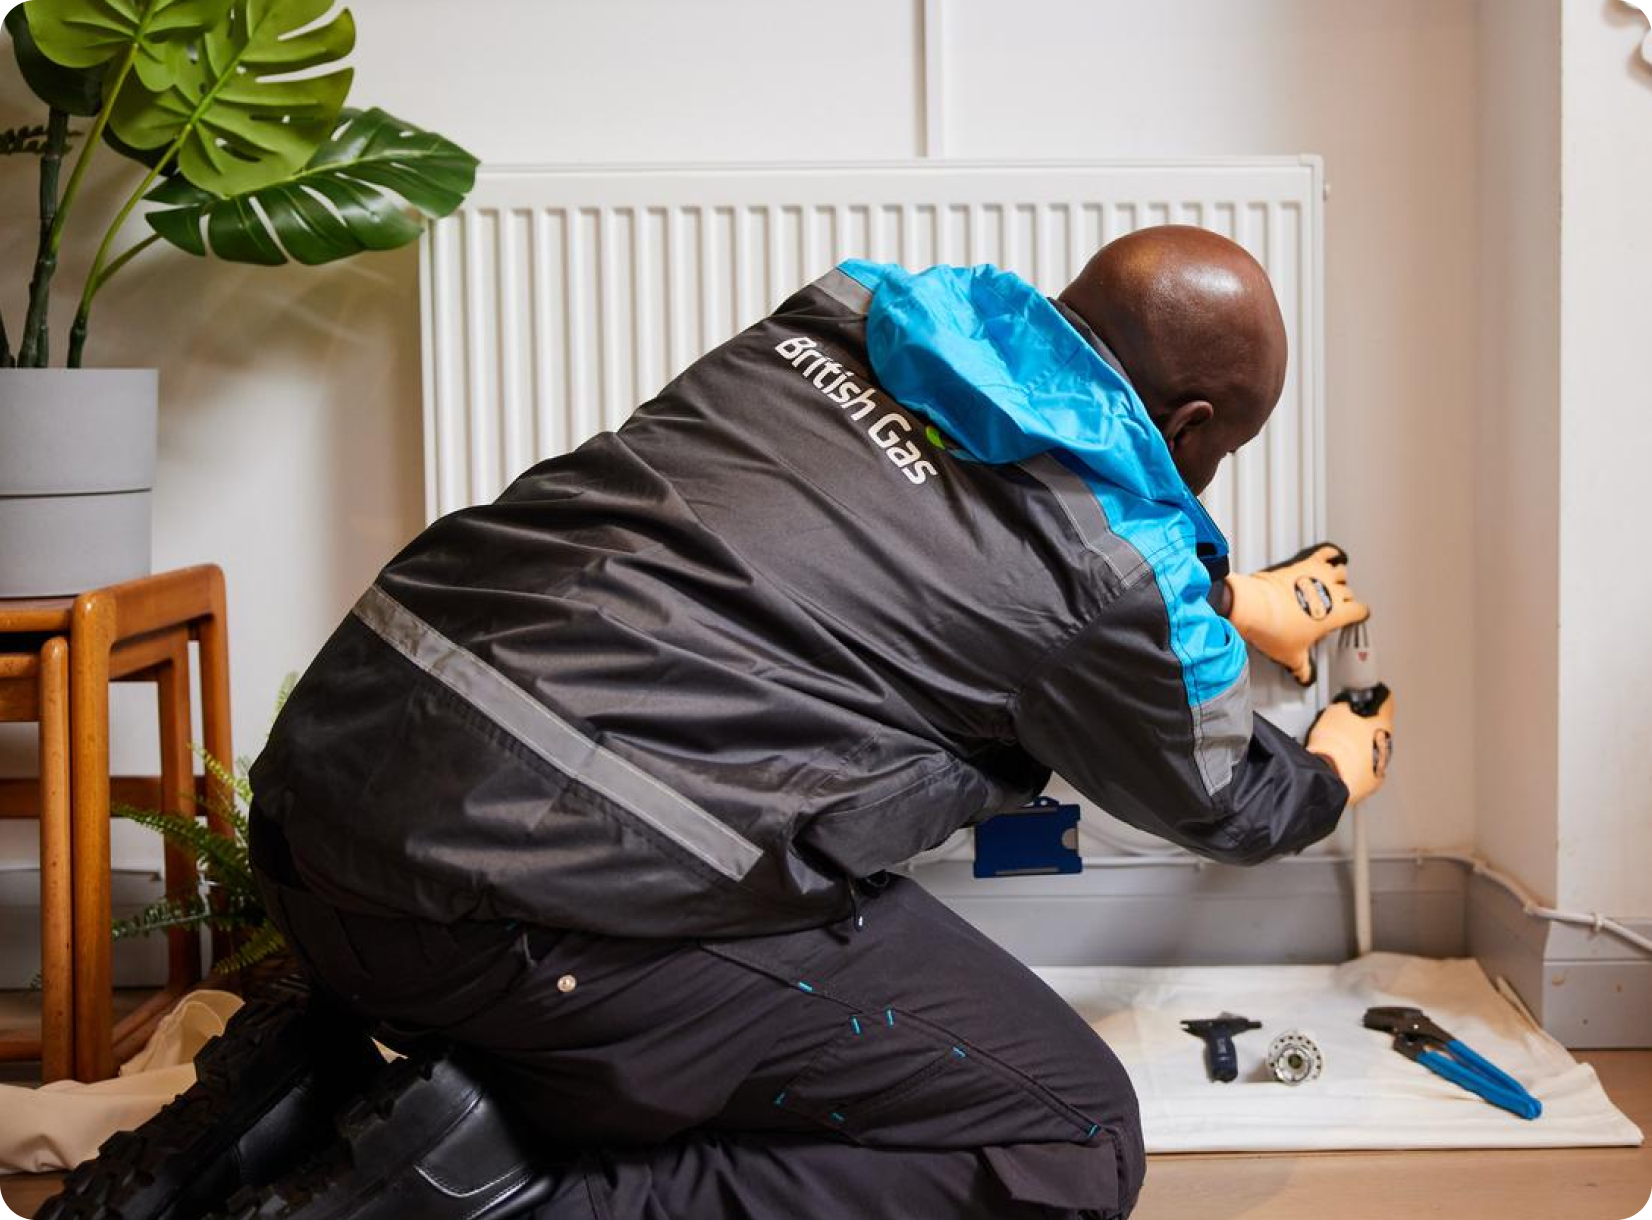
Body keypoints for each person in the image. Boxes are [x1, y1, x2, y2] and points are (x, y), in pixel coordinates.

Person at [41, 226, 1392, 1220]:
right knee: (1068, 1136)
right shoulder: (1111, 577)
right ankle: (444, 1200)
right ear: (1197, 421)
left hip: (323, 809)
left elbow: (943, 527)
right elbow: (1226, 797)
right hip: (518, 923)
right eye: (1216, 454)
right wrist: (1327, 771)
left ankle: (294, 1094)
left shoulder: (846, 321)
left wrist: (1211, 597)